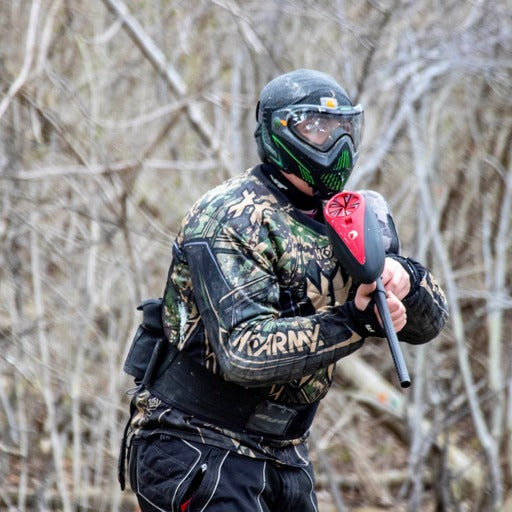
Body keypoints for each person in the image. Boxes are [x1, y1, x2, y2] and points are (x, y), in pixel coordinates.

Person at [119, 69, 448, 511]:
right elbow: (244, 352)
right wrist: (354, 321)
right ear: (279, 131)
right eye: (317, 128)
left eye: (344, 128)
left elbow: (431, 324)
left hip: (286, 453)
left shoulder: (348, 216)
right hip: (197, 443)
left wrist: (402, 277)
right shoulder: (232, 215)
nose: (336, 143)